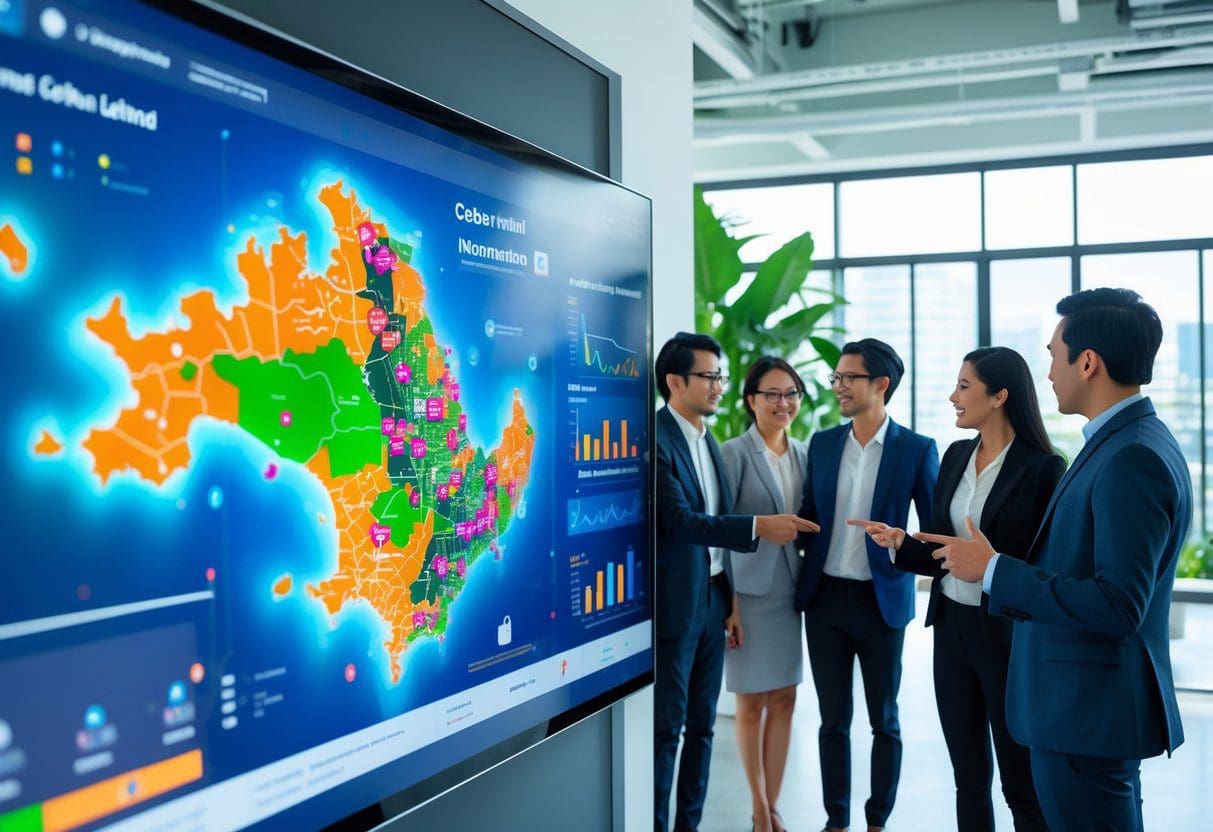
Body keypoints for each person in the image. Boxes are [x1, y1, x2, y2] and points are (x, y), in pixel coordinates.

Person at [920, 288, 1190, 832]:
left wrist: (994, 570)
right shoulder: (1124, 442)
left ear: (1087, 362)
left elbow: (1118, 604)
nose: (1047, 374)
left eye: (1052, 355)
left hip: (1083, 719)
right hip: (1078, 714)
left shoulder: (1130, 456)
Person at [849, 347, 1063, 831]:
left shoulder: (1044, 468)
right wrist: (901, 543)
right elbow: (944, 550)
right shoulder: (955, 455)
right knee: (968, 779)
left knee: (1020, 784)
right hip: (952, 631)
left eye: (964, 387)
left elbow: (1045, 568)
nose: (953, 396)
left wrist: (994, 567)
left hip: (1008, 639)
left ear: (1000, 396)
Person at [654, 332, 818, 832]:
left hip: (715, 598)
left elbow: (715, 531)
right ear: (675, 381)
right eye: (709, 376)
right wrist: (758, 527)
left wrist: (727, 600)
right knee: (670, 731)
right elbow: (681, 523)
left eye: (719, 376)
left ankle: (691, 825)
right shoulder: (658, 440)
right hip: (679, 605)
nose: (717, 386)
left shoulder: (704, 442)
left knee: (704, 729)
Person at [794, 338, 938, 832]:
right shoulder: (823, 443)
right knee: (832, 721)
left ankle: (877, 820)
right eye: (836, 378)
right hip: (826, 601)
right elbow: (809, 517)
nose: (837, 386)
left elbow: (936, 531)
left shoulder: (917, 450)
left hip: (883, 603)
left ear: (881, 384)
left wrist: (901, 542)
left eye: (847, 378)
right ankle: (837, 821)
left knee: (884, 719)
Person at [719, 356, 810, 832]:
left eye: (791, 393)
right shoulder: (732, 453)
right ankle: (758, 808)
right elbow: (719, 532)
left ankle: (771, 808)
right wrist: (727, 603)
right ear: (751, 400)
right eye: (772, 394)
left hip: (788, 594)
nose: (783, 403)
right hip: (747, 598)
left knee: (786, 700)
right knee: (750, 702)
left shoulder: (803, 454)